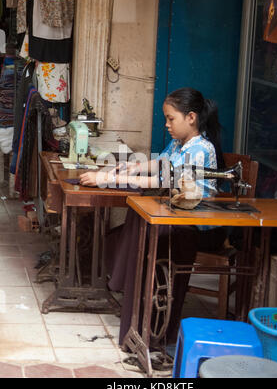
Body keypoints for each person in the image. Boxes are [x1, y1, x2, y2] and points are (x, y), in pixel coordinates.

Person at [80, 87, 227, 346]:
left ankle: (145, 313)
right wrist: (133, 166)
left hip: (196, 230)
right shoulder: (181, 143)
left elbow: (164, 179)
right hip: (178, 218)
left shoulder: (200, 149)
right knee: (133, 228)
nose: (166, 124)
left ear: (190, 117)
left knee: (139, 235)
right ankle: (135, 303)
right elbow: (162, 163)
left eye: (171, 119)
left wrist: (108, 178)